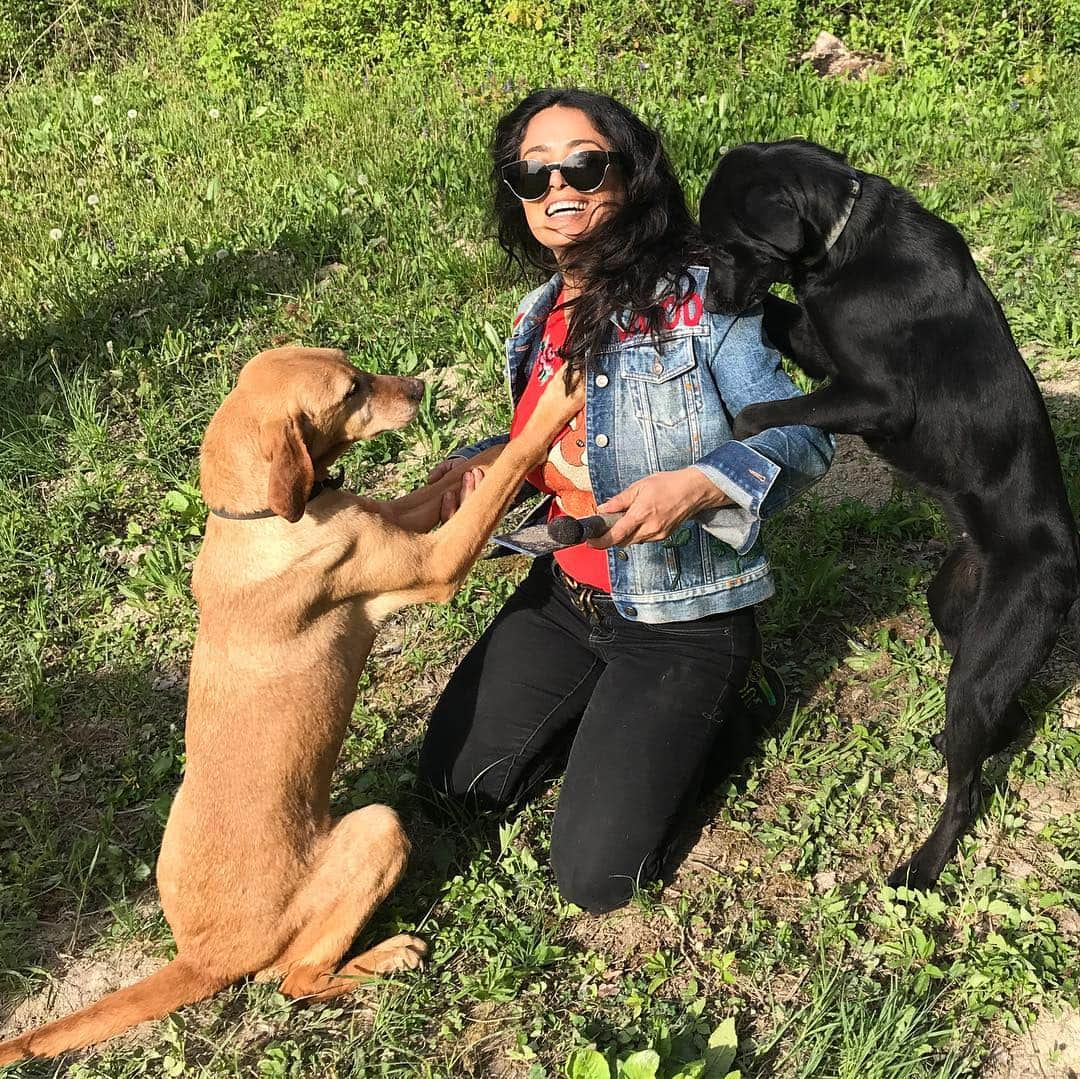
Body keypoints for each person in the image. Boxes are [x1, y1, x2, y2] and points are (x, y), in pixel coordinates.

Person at [416, 89, 834, 913]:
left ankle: (727, 709)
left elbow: (805, 439)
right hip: (567, 594)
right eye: (532, 173)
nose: (557, 187)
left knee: (598, 877)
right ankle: (622, 724)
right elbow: (549, 446)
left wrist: (702, 483)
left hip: (681, 617)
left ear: (630, 172)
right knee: (455, 787)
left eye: (583, 163)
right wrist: (473, 470)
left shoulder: (704, 297)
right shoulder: (540, 313)